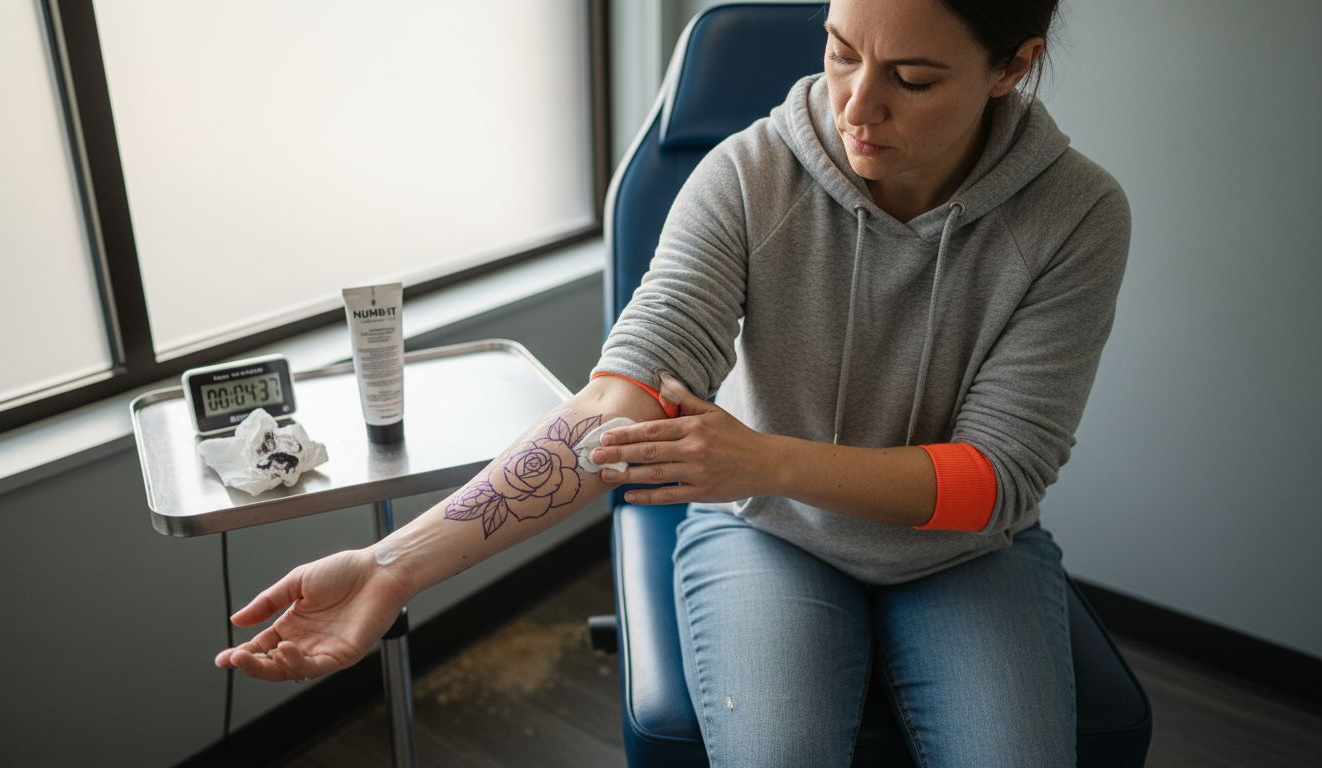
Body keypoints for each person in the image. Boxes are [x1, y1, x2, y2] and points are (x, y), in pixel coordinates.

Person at [216, 0, 1129, 765]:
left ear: (1012, 67)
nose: (857, 105)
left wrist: (764, 459)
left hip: (960, 557)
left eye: (913, 80)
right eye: (840, 52)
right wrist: (389, 566)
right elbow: (620, 402)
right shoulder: (748, 175)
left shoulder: (1075, 215)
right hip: (771, 537)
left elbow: (995, 481)